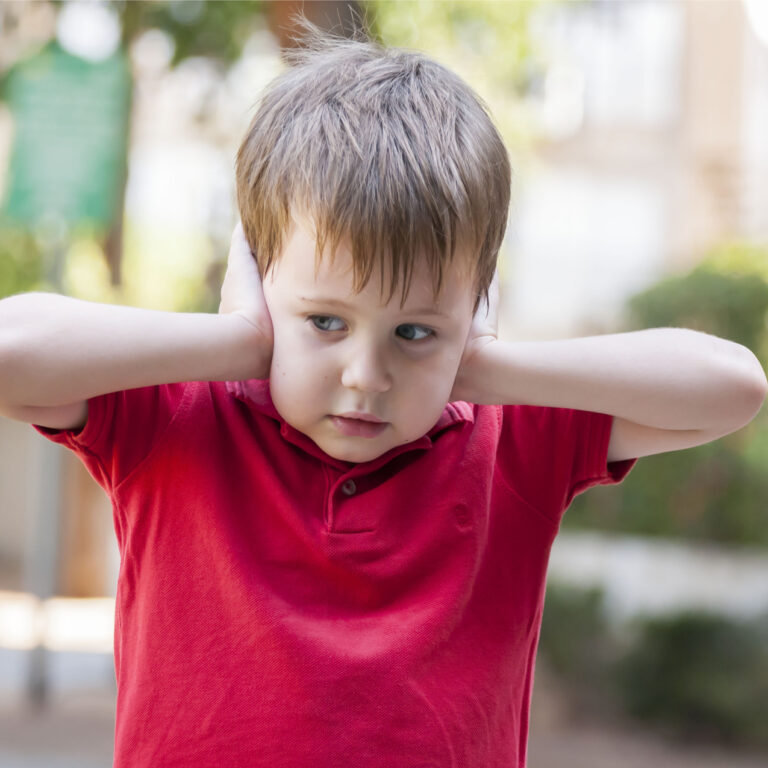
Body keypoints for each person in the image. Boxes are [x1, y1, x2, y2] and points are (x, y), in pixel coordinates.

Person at [0, 15, 765, 768]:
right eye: (325, 321)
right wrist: (239, 338)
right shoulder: (176, 420)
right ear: (261, 281)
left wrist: (483, 364)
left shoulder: (513, 444)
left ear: (474, 308)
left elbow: (733, 387)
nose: (366, 375)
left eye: (413, 332)